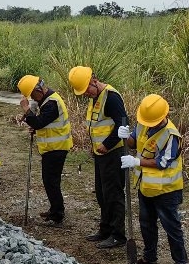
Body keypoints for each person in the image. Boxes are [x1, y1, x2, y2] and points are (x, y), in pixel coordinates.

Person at [119, 94, 188, 264]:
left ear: (163, 116)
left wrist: (136, 162)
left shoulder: (171, 135)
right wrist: (125, 136)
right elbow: (133, 142)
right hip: (146, 186)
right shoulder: (144, 122)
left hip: (166, 190)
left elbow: (162, 162)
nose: (149, 125)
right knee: (146, 224)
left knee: (172, 228)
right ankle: (150, 259)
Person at [68, 65, 127, 249]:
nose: (86, 94)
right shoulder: (95, 98)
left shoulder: (111, 98)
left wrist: (107, 144)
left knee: (113, 194)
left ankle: (118, 235)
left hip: (113, 153)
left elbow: (123, 125)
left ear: (94, 80)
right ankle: (105, 229)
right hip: (100, 154)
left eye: (87, 90)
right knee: (102, 193)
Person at [17, 75, 73, 226]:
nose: (32, 98)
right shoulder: (48, 101)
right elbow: (44, 124)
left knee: (51, 181)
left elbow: (39, 122)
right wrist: (36, 128)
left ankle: (57, 215)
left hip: (57, 148)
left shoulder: (51, 103)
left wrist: (26, 110)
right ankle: (55, 209)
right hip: (53, 147)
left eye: (32, 95)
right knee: (50, 181)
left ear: (38, 90)